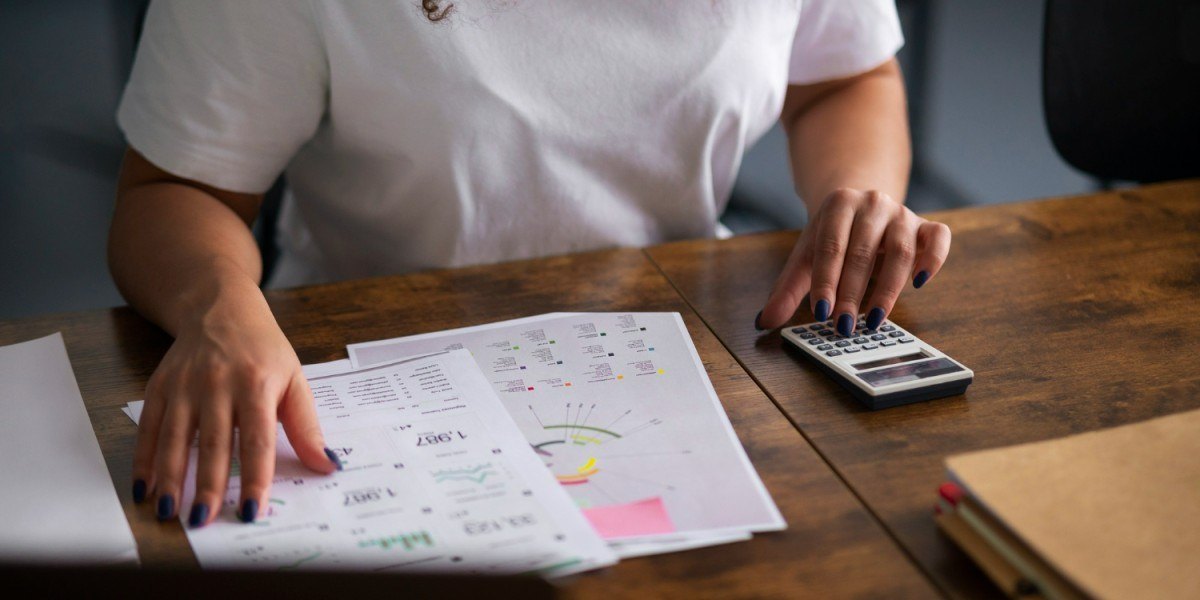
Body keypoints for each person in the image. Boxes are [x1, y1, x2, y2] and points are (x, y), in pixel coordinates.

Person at [110, 0, 950, 529]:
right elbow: (170, 192)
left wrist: (857, 193)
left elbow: (846, 76)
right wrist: (220, 305)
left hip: (684, 354)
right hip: (362, 370)